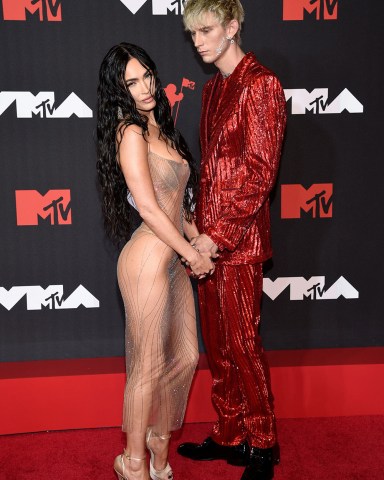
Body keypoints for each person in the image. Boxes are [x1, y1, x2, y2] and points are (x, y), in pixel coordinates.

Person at [177, 2, 287, 479]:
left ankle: (263, 442)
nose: (198, 40)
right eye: (192, 32)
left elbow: (260, 175)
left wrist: (215, 238)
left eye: (206, 30)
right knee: (218, 345)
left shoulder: (261, 84)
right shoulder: (212, 88)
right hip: (207, 240)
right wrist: (198, 234)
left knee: (243, 342)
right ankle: (230, 433)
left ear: (232, 27)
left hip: (238, 244)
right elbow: (211, 177)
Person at [96, 43, 214, 480]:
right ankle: (134, 464)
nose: (145, 87)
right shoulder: (129, 132)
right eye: (131, 81)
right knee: (145, 366)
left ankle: (156, 441)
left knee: (184, 358)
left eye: (147, 75)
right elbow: (147, 207)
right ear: (118, 90)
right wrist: (190, 254)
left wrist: (196, 237)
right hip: (147, 256)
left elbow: (176, 206)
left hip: (172, 257)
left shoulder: (160, 127)